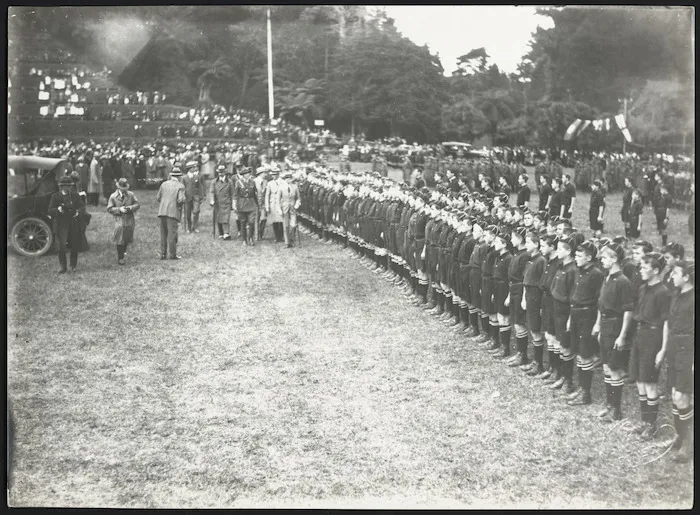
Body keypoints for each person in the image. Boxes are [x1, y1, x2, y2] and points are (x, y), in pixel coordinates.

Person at [629, 252, 671, 440]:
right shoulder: (643, 288)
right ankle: (644, 421)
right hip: (640, 334)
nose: (641, 271)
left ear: (656, 270)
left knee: (650, 382)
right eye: (641, 267)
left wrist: (662, 350)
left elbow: (666, 323)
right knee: (639, 380)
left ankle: (652, 426)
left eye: (645, 268)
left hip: (653, 337)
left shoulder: (663, 292)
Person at [593, 242, 635, 422]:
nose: (601, 260)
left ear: (615, 259)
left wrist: (622, 335)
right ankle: (609, 404)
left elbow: (628, 310)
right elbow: (601, 305)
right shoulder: (607, 277)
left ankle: (616, 409)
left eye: (604, 257)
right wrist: (598, 325)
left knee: (614, 367)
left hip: (616, 326)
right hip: (605, 324)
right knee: (606, 366)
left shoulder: (623, 281)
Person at [565, 240, 604, 406]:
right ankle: (581, 388)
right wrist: (570, 317)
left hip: (588, 315)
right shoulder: (577, 271)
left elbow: (599, 301)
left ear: (589, 257)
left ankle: (586, 393)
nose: (576, 258)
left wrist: (597, 323)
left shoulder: (596, 274)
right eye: (576, 255)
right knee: (579, 353)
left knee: (586, 353)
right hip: (575, 313)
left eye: (580, 256)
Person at [665, 260, 694, 462]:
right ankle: (679, 435)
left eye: (675, 273)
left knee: (683, 396)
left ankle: (688, 445)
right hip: (674, 346)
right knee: (675, 394)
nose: (671, 276)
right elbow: (669, 322)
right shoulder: (676, 294)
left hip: (688, 347)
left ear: (687, 277)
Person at [48, 176, 85, 273]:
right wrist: (58, 210)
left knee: (74, 246)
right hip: (61, 224)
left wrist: (78, 212)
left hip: (73, 223)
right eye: (66, 186)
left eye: (70, 186)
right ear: (61, 186)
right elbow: (50, 210)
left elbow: (82, 206)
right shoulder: (55, 196)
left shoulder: (75, 196)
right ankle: (63, 267)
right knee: (61, 247)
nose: (69, 188)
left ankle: (73, 266)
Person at [106, 177, 140, 265]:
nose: (124, 191)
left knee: (127, 237)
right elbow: (109, 209)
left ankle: (123, 252)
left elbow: (137, 204)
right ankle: (120, 257)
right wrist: (119, 209)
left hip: (129, 219)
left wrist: (131, 208)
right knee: (120, 237)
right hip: (119, 219)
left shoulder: (131, 195)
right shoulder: (113, 196)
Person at [156, 166, 186, 260]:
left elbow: (158, 197)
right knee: (172, 234)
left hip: (162, 211)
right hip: (173, 212)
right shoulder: (180, 186)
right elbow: (180, 199)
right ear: (179, 176)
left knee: (163, 234)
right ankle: (173, 255)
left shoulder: (164, 184)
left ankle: (163, 254)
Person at [233, 166, 259, 246]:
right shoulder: (238, 182)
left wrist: (257, 204)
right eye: (246, 174)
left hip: (251, 204)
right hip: (242, 205)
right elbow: (235, 194)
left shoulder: (252, 182)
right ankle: (244, 240)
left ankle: (250, 238)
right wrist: (234, 204)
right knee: (243, 222)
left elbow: (255, 194)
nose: (247, 175)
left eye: (248, 173)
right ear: (243, 175)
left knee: (251, 222)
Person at [209, 164, 234, 240]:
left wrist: (233, 203)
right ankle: (221, 232)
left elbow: (232, 193)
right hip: (218, 203)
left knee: (226, 218)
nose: (221, 173)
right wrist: (212, 200)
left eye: (222, 172)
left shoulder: (229, 181)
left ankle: (226, 233)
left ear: (225, 172)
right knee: (219, 218)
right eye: (219, 172)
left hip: (226, 203)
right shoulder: (214, 182)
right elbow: (211, 192)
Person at [278, 170, 301, 248]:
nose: (288, 180)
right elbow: (277, 200)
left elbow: (298, 198)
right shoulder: (281, 187)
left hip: (293, 208)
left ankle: (292, 239)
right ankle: (287, 243)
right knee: (286, 226)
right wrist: (279, 209)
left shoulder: (295, 186)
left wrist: (297, 204)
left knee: (293, 225)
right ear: (285, 179)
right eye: (287, 178)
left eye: (290, 178)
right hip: (284, 208)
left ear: (292, 179)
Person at [182, 160, 206, 233]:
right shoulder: (184, 177)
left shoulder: (197, 176)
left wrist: (202, 196)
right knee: (188, 213)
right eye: (193, 167)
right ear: (190, 169)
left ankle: (195, 227)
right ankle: (189, 227)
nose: (195, 168)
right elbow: (182, 188)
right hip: (187, 197)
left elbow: (200, 187)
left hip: (196, 197)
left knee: (196, 211)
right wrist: (182, 196)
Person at [266, 166, 284, 242]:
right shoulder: (270, 183)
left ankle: (282, 236)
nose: (273, 176)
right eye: (272, 175)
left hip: (281, 203)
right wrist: (267, 206)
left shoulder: (283, 182)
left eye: (275, 174)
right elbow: (267, 195)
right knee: (275, 221)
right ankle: (277, 237)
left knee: (282, 220)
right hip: (273, 203)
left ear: (278, 174)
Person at [254, 166, 268, 240]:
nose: (266, 174)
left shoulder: (266, 182)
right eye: (264, 173)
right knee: (256, 220)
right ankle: (256, 236)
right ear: (260, 173)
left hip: (263, 203)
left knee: (263, 219)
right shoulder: (254, 181)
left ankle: (260, 233)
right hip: (256, 203)